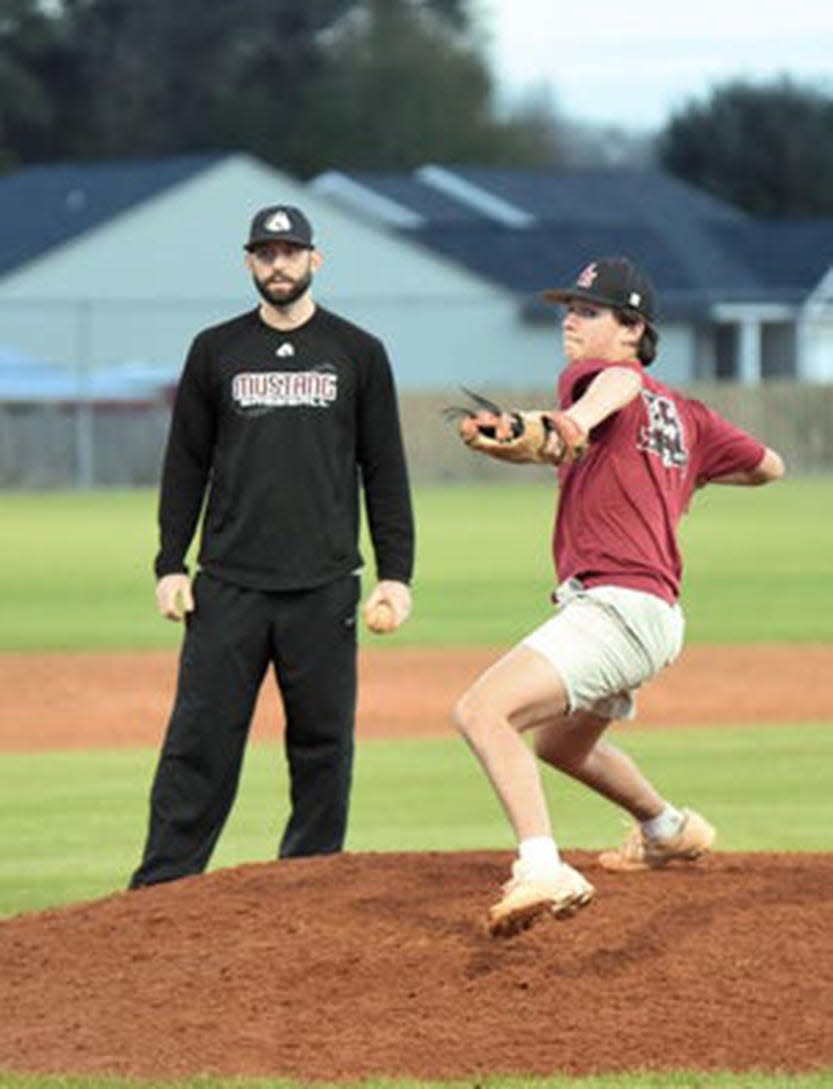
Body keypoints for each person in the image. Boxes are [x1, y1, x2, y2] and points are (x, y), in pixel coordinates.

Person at [452, 256, 785, 936]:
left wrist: (568, 426)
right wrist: (678, 471)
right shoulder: (686, 414)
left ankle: (542, 866)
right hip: (656, 615)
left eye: (589, 309)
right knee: (561, 746)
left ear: (633, 327)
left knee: (483, 710)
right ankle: (665, 827)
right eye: (568, 307)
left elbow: (607, 393)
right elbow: (767, 466)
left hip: (614, 603)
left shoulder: (598, 377)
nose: (569, 318)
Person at [129, 204, 414, 888]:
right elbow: (185, 465)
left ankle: (307, 886)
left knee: (321, 745)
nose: (277, 264)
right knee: (199, 740)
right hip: (228, 582)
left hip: (323, 584)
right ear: (248, 262)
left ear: (315, 260)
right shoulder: (215, 350)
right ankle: (163, 885)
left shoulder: (357, 351)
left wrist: (395, 573)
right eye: (265, 253)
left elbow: (384, 469)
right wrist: (171, 562)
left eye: (290, 252)